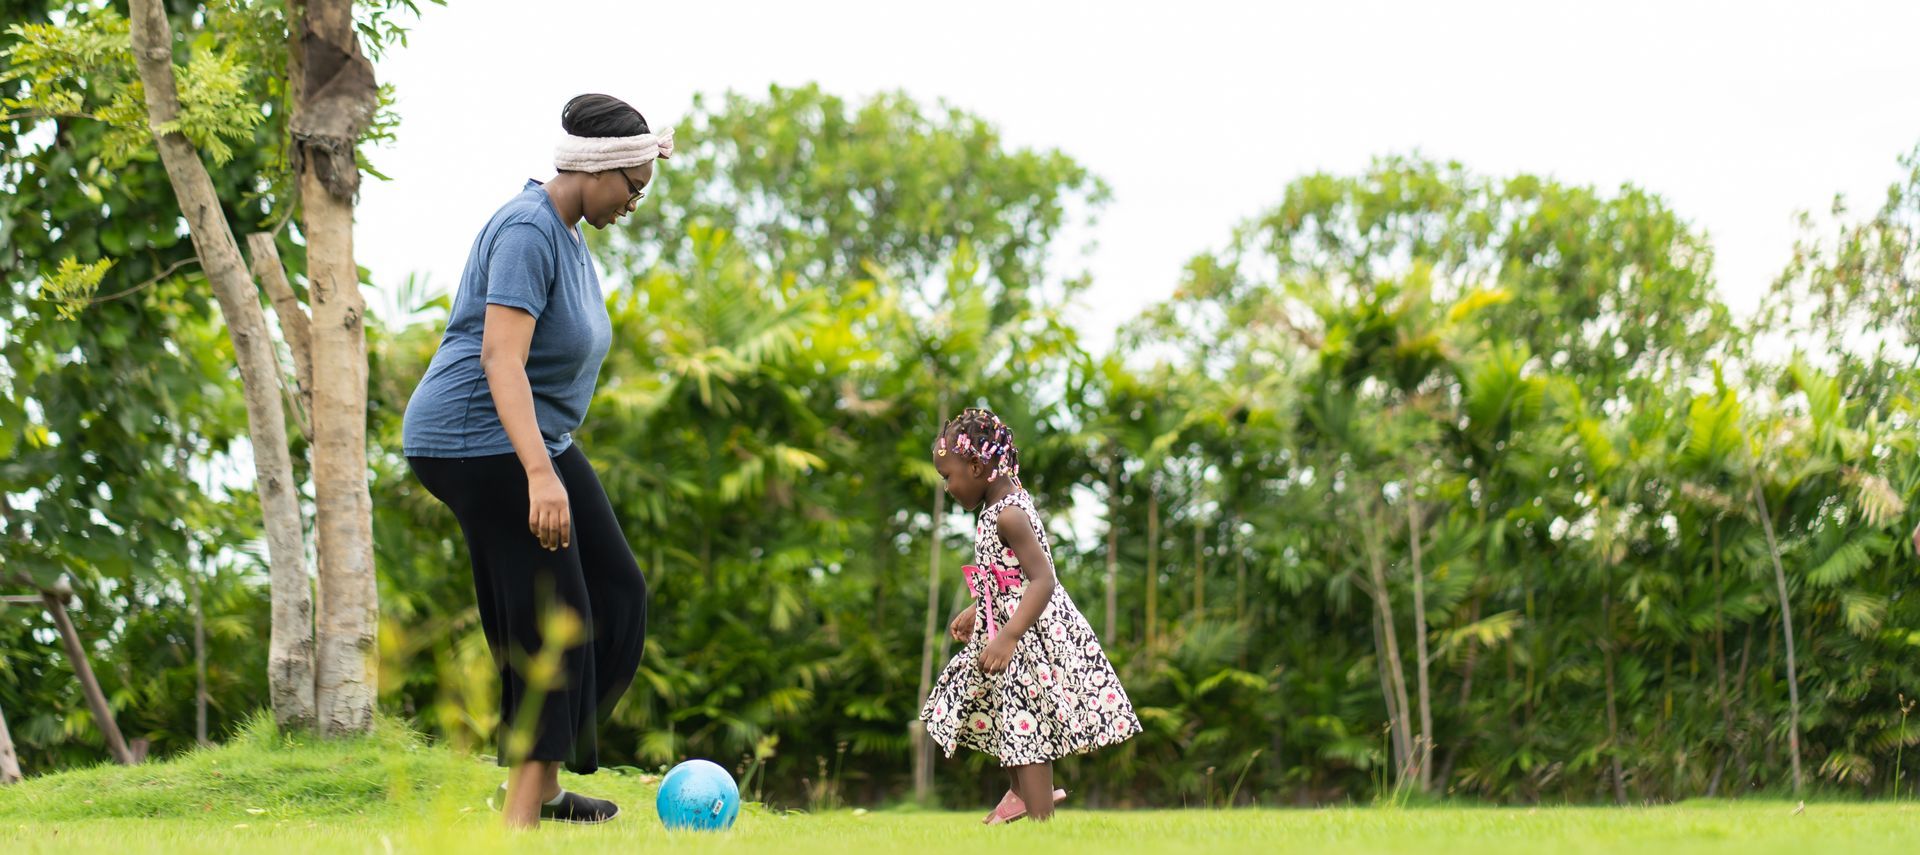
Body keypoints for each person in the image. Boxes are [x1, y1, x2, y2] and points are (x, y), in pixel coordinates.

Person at [401, 93, 671, 828]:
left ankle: (543, 785)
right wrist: (539, 475)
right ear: (595, 167)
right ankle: (522, 817)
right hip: (474, 439)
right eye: (632, 187)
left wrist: (546, 461)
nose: (634, 204)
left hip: (533, 438)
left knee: (617, 596)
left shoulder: (567, 236)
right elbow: (500, 358)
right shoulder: (527, 229)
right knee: (556, 618)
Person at [920, 407, 1143, 824]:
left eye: (948, 476)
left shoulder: (1009, 513)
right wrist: (975, 611)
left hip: (1029, 635)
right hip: (1008, 625)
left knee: (1026, 724)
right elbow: (1008, 578)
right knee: (1005, 709)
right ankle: (1019, 793)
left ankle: (1041, 822)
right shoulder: (995, 508)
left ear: (976, 465)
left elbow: (1042, 580)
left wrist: (1007, 637)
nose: (947, 487)